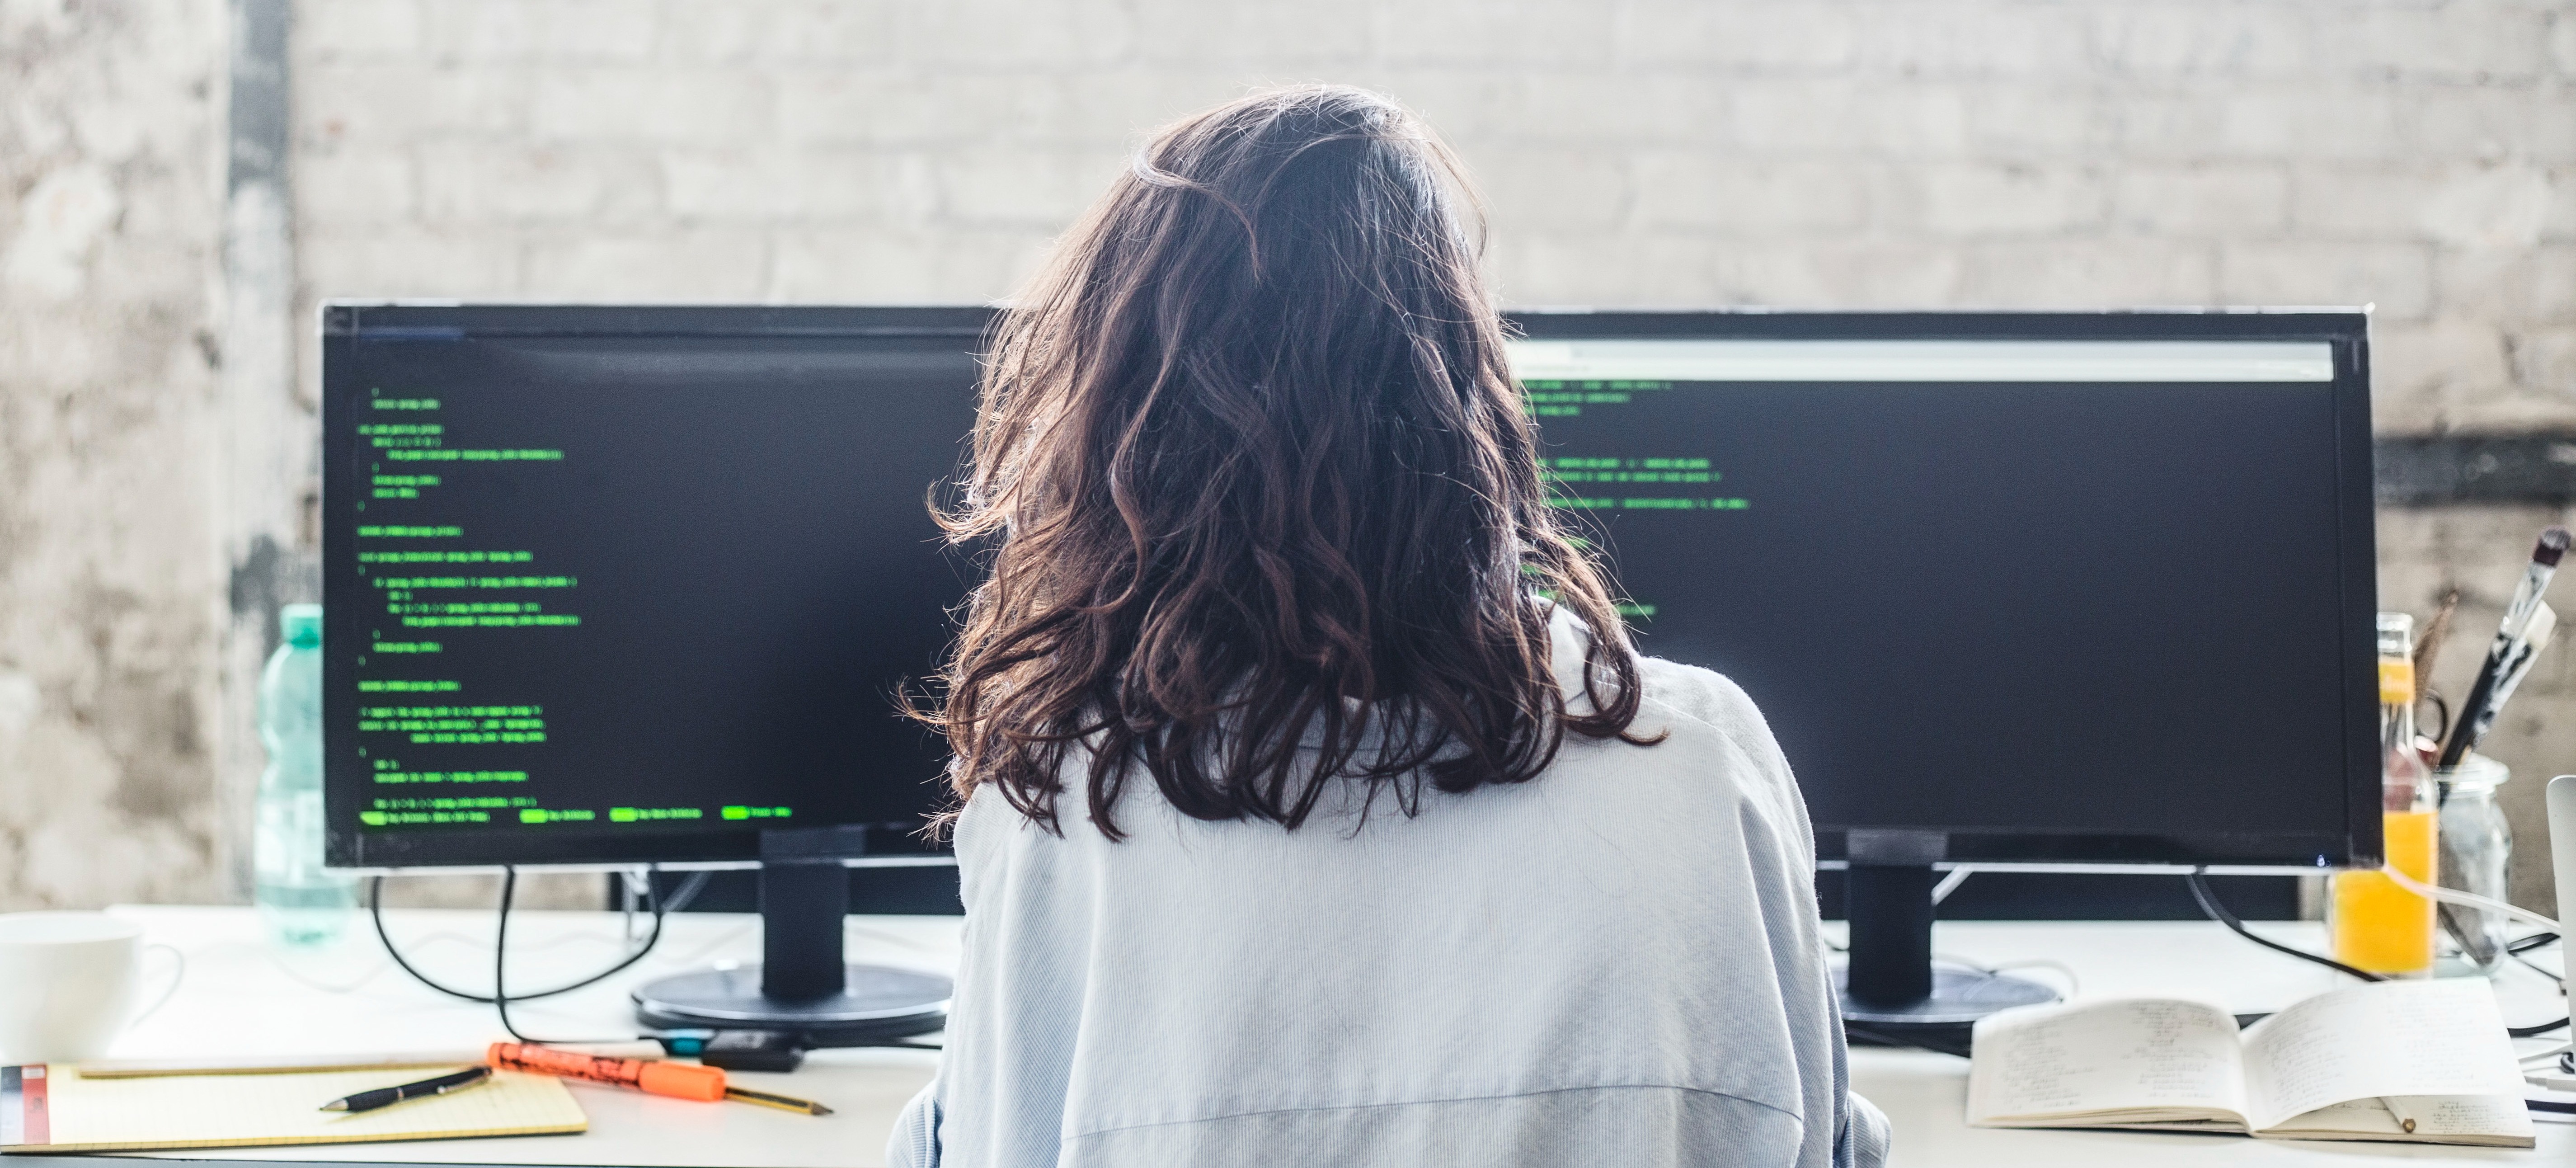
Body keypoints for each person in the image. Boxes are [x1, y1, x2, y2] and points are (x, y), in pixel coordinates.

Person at [890, 84, 1888, 1168]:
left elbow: (985, 1144)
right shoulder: (1696, 756)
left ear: (1131, 423)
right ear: (1465, 392)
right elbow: (1829, 1145)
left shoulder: (1069, 798)